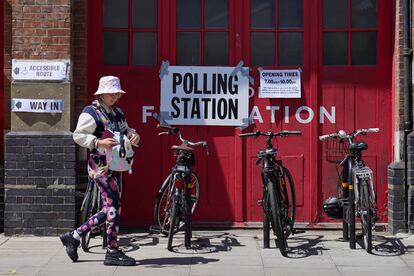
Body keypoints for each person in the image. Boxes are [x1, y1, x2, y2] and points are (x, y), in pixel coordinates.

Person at [60, 76, 140, 266]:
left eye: (117, 94)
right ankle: (110, 251)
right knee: (113, 208)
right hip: (99, 168)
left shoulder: (118, 113)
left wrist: (133, 135)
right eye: (111, 94)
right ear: (102, 93)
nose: (115, 97)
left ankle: (74, 236)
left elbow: (126, 130)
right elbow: (78, 136)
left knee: (113, 208)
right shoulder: (91, 113)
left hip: (116, 166)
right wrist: (97, 142)